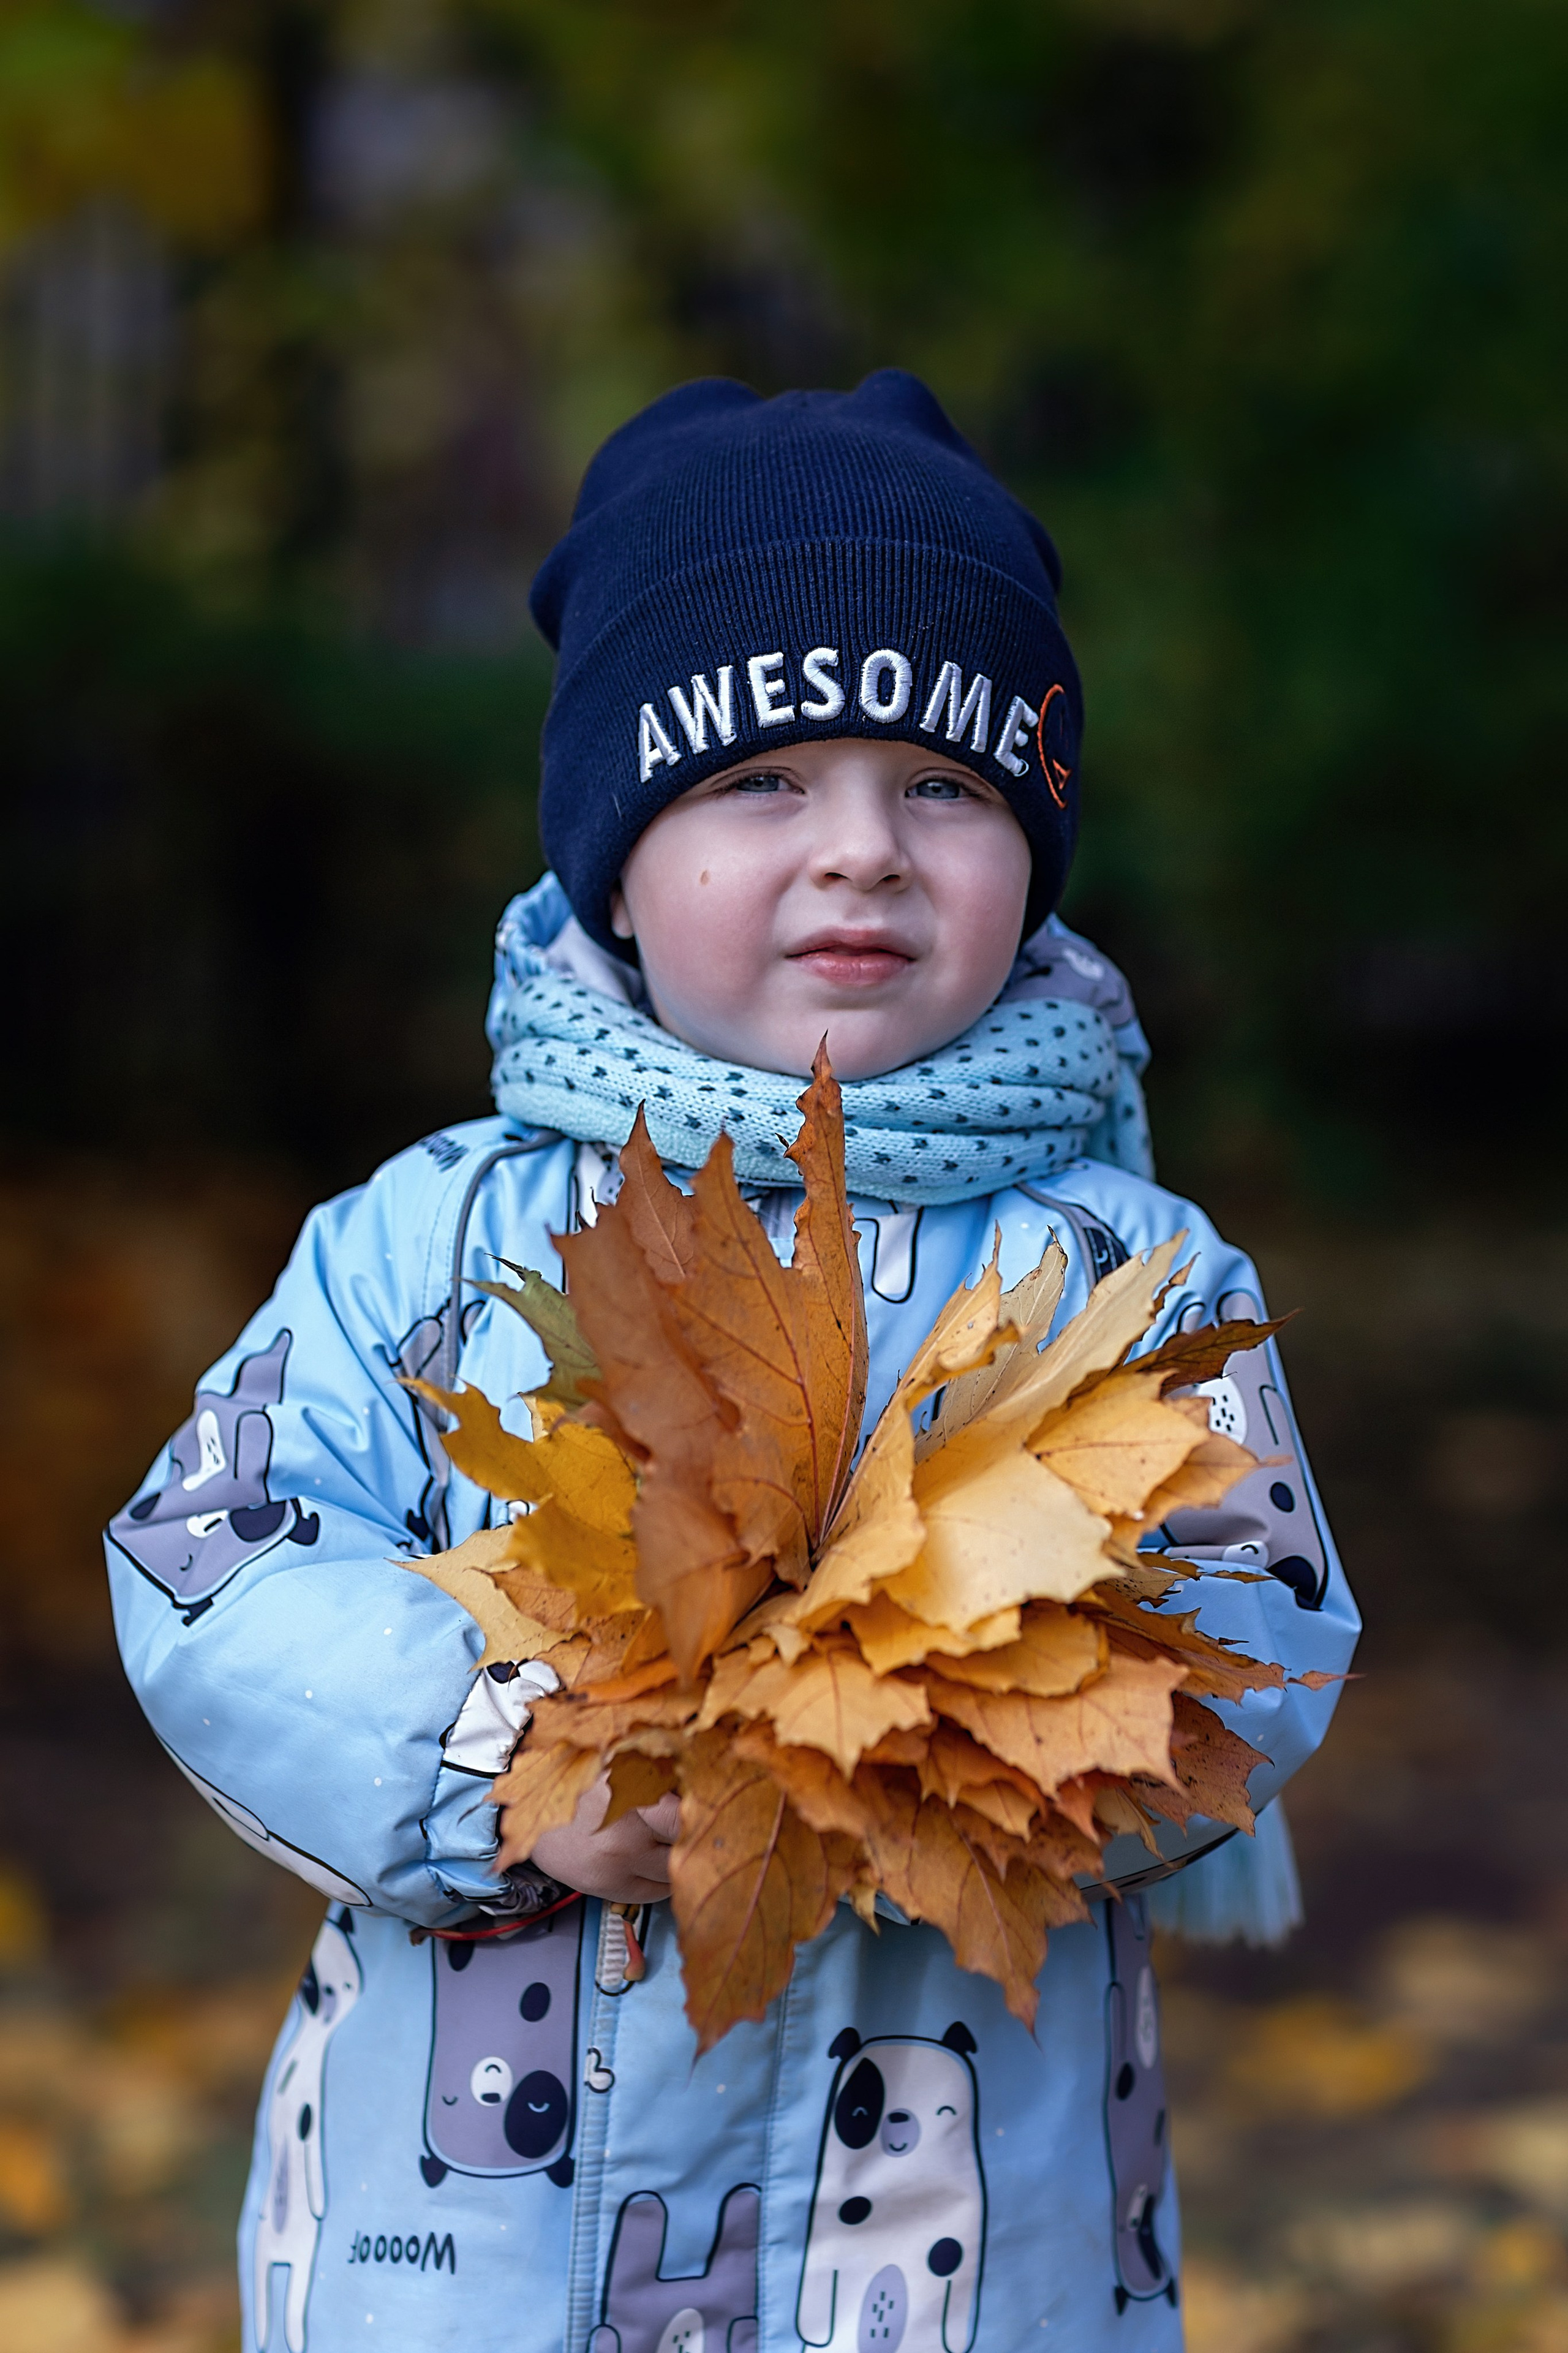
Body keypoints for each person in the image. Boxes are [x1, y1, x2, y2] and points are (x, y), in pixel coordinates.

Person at [107, 371, 1359, 2353]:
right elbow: (214, 1562)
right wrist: (502, 1756)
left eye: (944, 787)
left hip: (966, 2259)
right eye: (757, 779)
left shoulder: (1125, 1263)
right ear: (616, 854)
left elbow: (1263, 1618)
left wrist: (964, 1749)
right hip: (463, 2268)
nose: (860, 850)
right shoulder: (431, 1243)